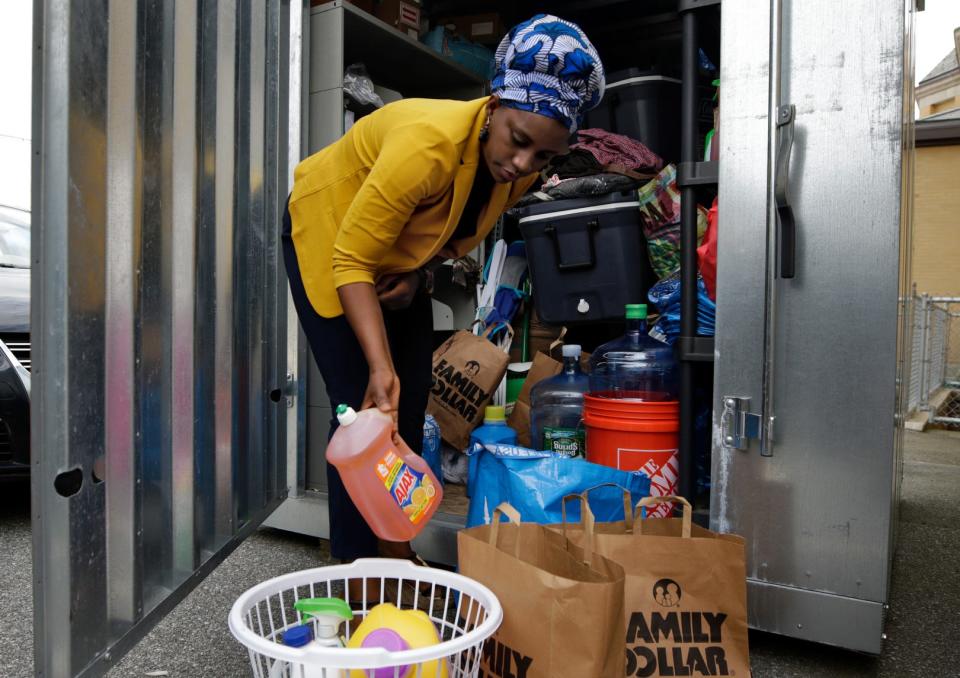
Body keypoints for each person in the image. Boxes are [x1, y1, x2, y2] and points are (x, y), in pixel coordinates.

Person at [281, 14, 605, 584]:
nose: (524, 164)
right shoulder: (426, 145)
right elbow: (351, 260)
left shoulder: (519, 171)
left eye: (545, 159)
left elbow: (448, 225)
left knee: (408, 399)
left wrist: (419, 274)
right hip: (329, 233)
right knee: (363, 409)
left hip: (391, 254)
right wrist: (378, 364)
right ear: (493, 101)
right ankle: (357, 571)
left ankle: (393, 552)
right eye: (519, 141)